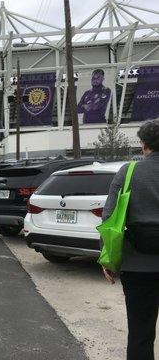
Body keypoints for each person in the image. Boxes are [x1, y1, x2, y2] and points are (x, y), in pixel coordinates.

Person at [102, 118, 159, 360]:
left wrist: (108, 260)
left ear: (144, 145)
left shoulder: (129, 172)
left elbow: (110, 218)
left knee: (140, 334)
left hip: (137, 266)